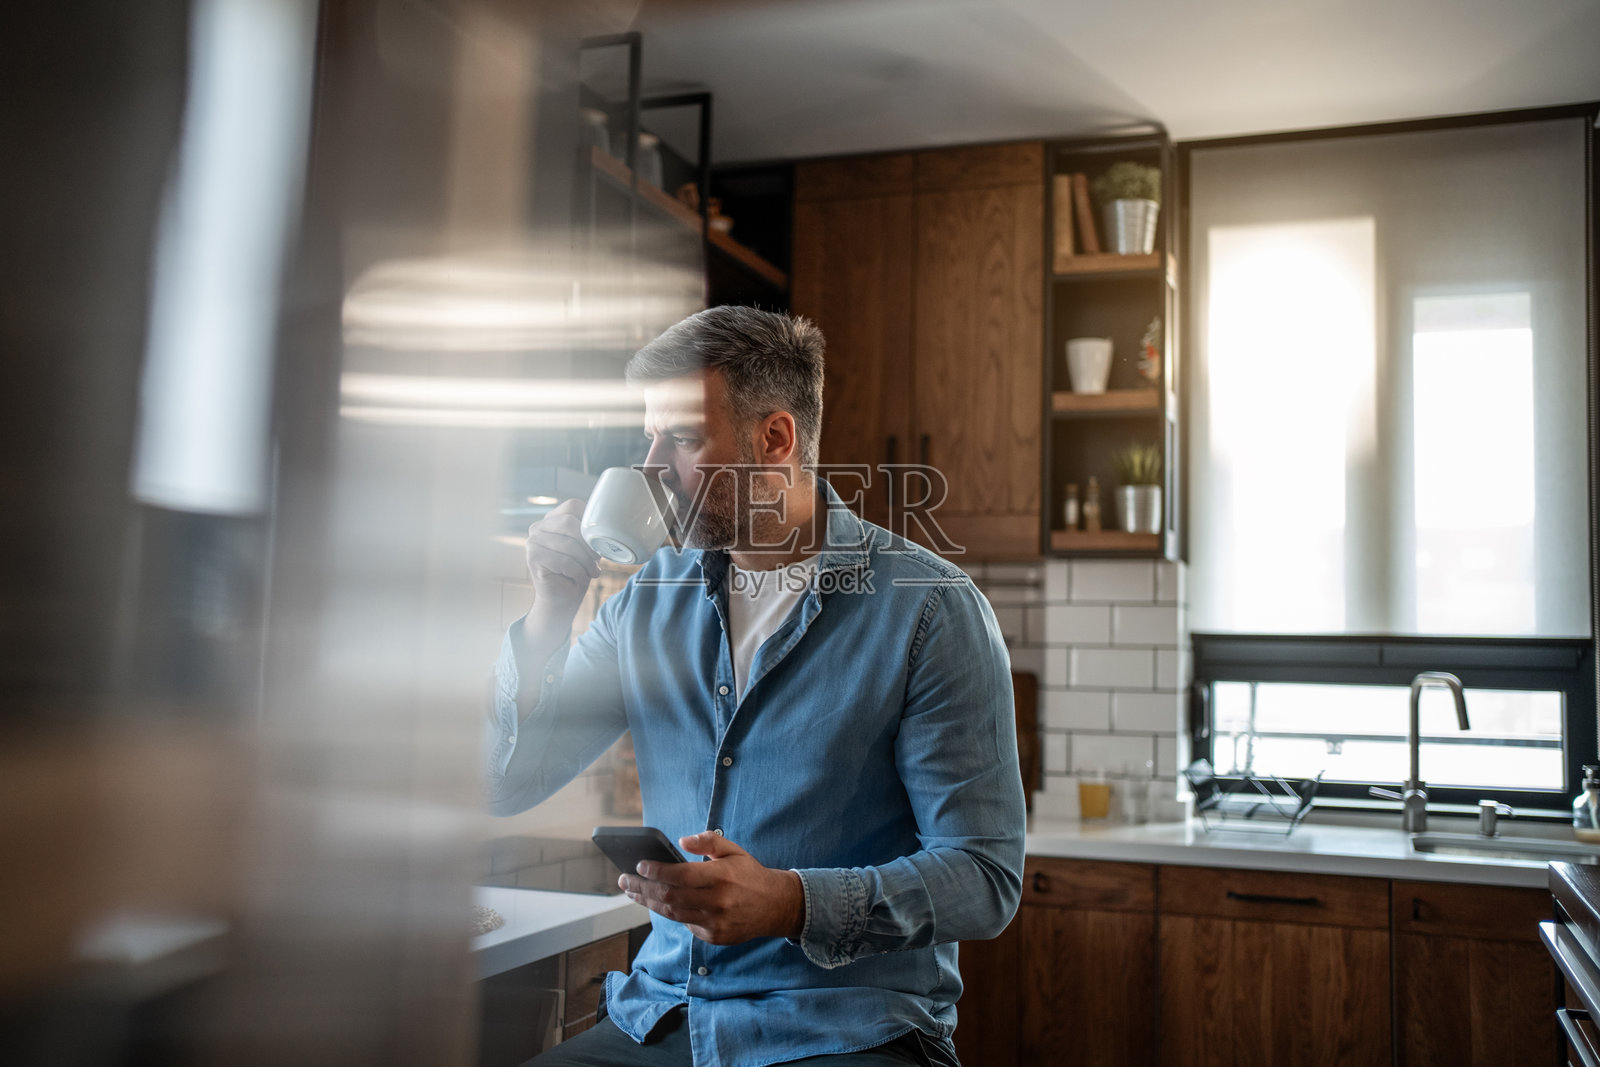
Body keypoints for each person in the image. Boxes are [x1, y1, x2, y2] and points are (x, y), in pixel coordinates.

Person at [486, 306, 1025, 1067]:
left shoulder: (929, 608)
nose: (652, 466)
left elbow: (984, 877)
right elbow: (504, 784)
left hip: (843, 1030)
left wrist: (790, 902)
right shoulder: (647, 597)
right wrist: (549, 608)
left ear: (775, 439)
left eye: (680, 438)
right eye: (649, 437)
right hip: (664, 1015)